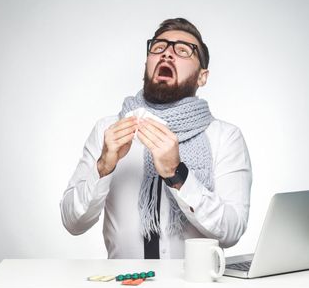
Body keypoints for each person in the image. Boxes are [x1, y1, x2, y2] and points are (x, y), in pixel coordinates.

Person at [60, 17, 252, 259]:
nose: (167, 54)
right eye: (159, 47)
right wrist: (103, 167)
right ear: (146, 64)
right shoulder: (109, 130)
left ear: (202, 76)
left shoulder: (225, 137)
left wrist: (178, 173)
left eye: (183, 50)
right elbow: (72, 223)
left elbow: (231, 232)